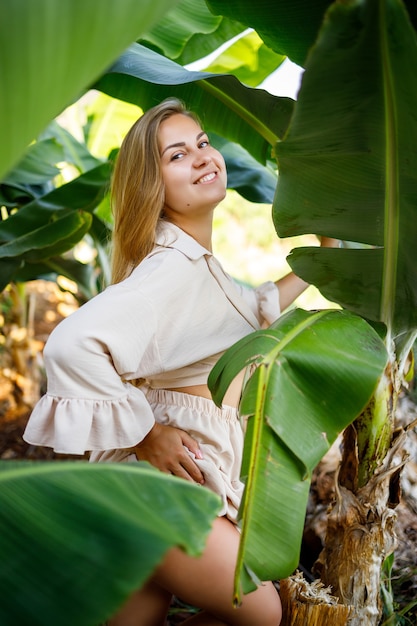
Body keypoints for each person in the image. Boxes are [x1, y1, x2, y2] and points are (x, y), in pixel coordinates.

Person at [24, 97, 336, 626]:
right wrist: (147, 435)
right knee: (264, 615)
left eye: (204, 143)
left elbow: (245, 317)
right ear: (154, 186)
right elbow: (70, 343)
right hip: (154, 485)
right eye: (177, 155)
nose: (201, 156)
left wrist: (319, 256)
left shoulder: (192, 265)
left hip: (152, 485)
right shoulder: (168, 270)